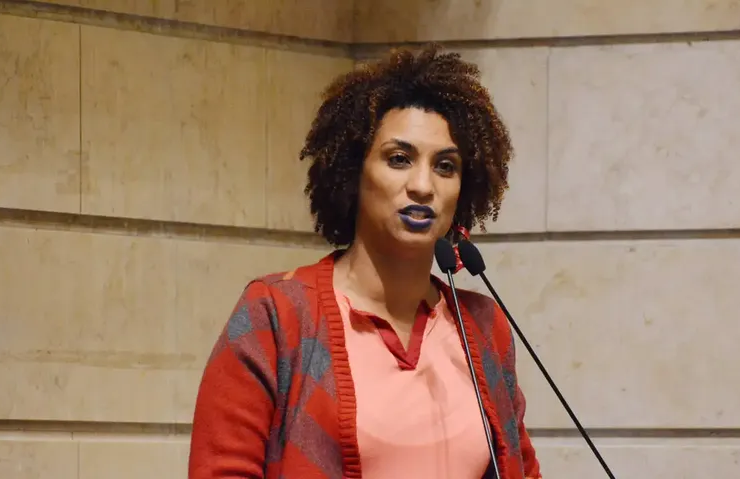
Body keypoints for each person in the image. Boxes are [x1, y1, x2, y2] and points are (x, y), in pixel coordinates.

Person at [188, 43, 542, 479]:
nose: (422, 185)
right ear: (353, 171)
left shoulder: (484, 330)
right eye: (399, 159)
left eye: (445, 166)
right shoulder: (276, 316)